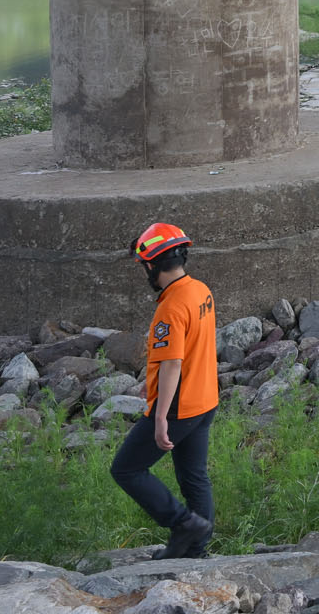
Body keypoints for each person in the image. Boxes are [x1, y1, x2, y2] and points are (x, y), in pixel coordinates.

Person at [111, 223, 217, 558]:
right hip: (205, 399)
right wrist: (152, 379)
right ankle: (195, 550)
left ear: (152, 265)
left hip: (178, 408)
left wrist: (160, 418)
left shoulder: (169, 308)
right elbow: (190, 347)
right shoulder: (200, 290)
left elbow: (173, 364)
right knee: (194, 477)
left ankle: (182, 523)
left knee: (126, 469)